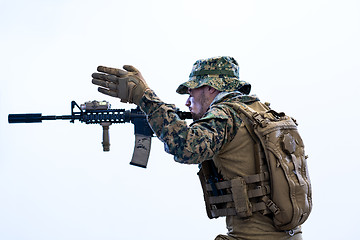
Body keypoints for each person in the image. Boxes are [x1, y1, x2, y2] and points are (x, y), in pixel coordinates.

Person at [91, 56, 303, 240]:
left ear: (211, 87)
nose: (187, 102)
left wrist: (145, 97)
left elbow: (185, 146)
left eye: (191, 92)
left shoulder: (225, 115)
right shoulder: (258, 111)